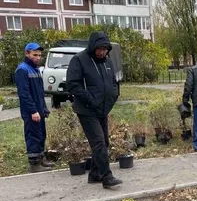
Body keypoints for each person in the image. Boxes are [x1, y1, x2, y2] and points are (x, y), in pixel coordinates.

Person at [66, 32, 122, 188]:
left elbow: (113, 82)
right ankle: (107, 177)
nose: (102, 52)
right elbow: (73, 85)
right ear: (93, 47)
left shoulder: (108, 62)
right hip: (87, 110)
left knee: (104, 142)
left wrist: (113, 97)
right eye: (99, 49)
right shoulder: (79, 60)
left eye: (105, 49)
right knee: (98, 143)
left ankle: (95, 174)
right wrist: (90, 100)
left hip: (102, 109)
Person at [16, 43, 53, 173]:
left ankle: (41, 159)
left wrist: (43, 108)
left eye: (39, 55)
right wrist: (33, 111)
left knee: (41, 134)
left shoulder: (35, 70)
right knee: (33, 136)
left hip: (39, 110)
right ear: (27, 54)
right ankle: (34, 164)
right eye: (34, 55)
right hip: (31, 112)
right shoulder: (22, 70)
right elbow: (24, 94)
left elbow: (39, 93)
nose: (38, 58)